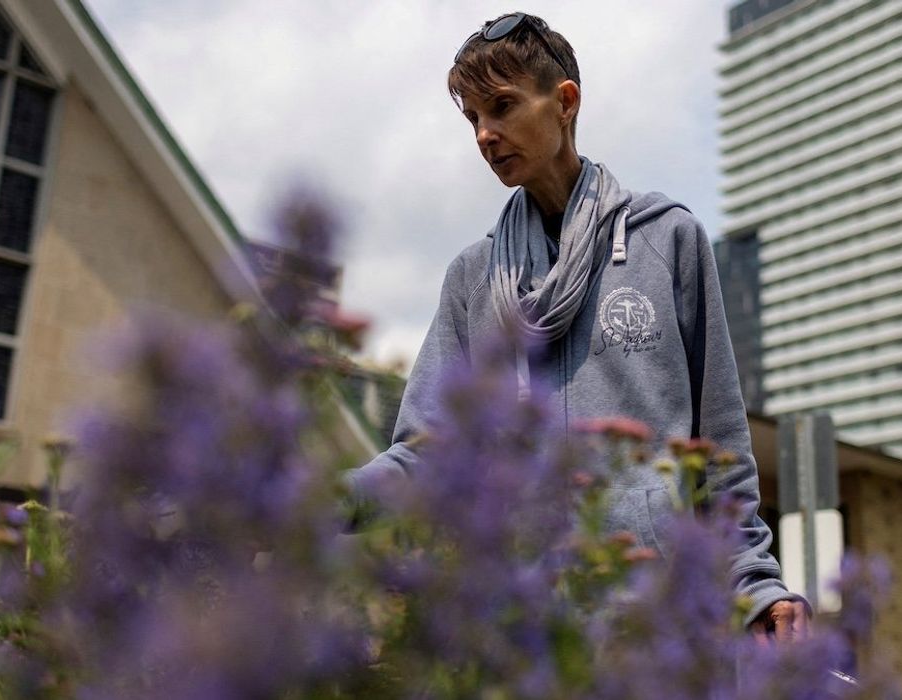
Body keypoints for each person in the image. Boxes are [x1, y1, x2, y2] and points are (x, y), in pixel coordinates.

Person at [344, 12, 808, 643]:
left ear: (565, 102)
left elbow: (720, 446)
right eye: (473, 118)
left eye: (502, 106)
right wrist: (331, 499)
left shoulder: (668, 241)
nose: (485, 135)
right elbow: (428, 453)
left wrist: (753, 581)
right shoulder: (473, 279)